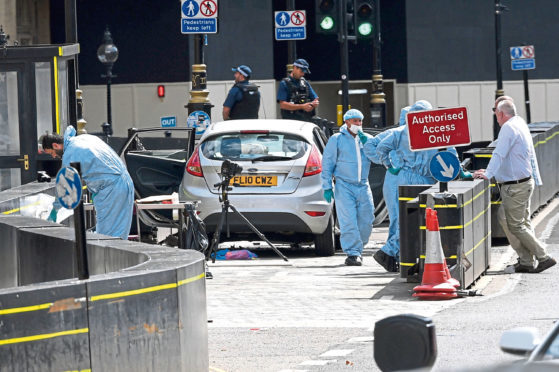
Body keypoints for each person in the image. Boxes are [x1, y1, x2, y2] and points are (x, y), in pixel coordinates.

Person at [373, 100, 469, 272]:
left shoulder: (401, 131)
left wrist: (390, 165)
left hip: (403, 177)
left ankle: (399, 256)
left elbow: (381, 148)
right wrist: (461, 172)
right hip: (423, 179)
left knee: (405, 218)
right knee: (418, 220)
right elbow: (451, 154)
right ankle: (389, 252)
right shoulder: (436, 130)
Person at [474, 99, 556, 273]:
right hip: (523, 183)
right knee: (513, 220)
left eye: (494, 111)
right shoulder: (519, 122)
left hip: (515, 187)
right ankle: (526, 261)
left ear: (501, 113)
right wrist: (489, 171)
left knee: (516, 225)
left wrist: (487, 174)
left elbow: (499, 154)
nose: (495, 115)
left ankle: (543, 256)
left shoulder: (508, 128)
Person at [41, 126, 134, 240]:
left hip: (111, 190)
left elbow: (65, 189)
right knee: (119, 232)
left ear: (56, 145)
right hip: (124, 182)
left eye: (52, 153)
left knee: (108, 238)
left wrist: (54, 211)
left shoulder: (70, 154)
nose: (54, 156)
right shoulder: (84, 138)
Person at [321, 109, 375, 266]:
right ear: (347, 122)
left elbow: (377, 158)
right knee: (348, 221)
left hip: (363, 184)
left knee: (367, 219)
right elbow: (328, 162)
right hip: (344, 185)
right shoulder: (337, 139)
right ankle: (353, 253)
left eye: (360, 121)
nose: (358, 124)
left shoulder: (367, 139)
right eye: (355, 121)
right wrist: (327, 186)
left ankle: (359, 246)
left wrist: (368, 144)